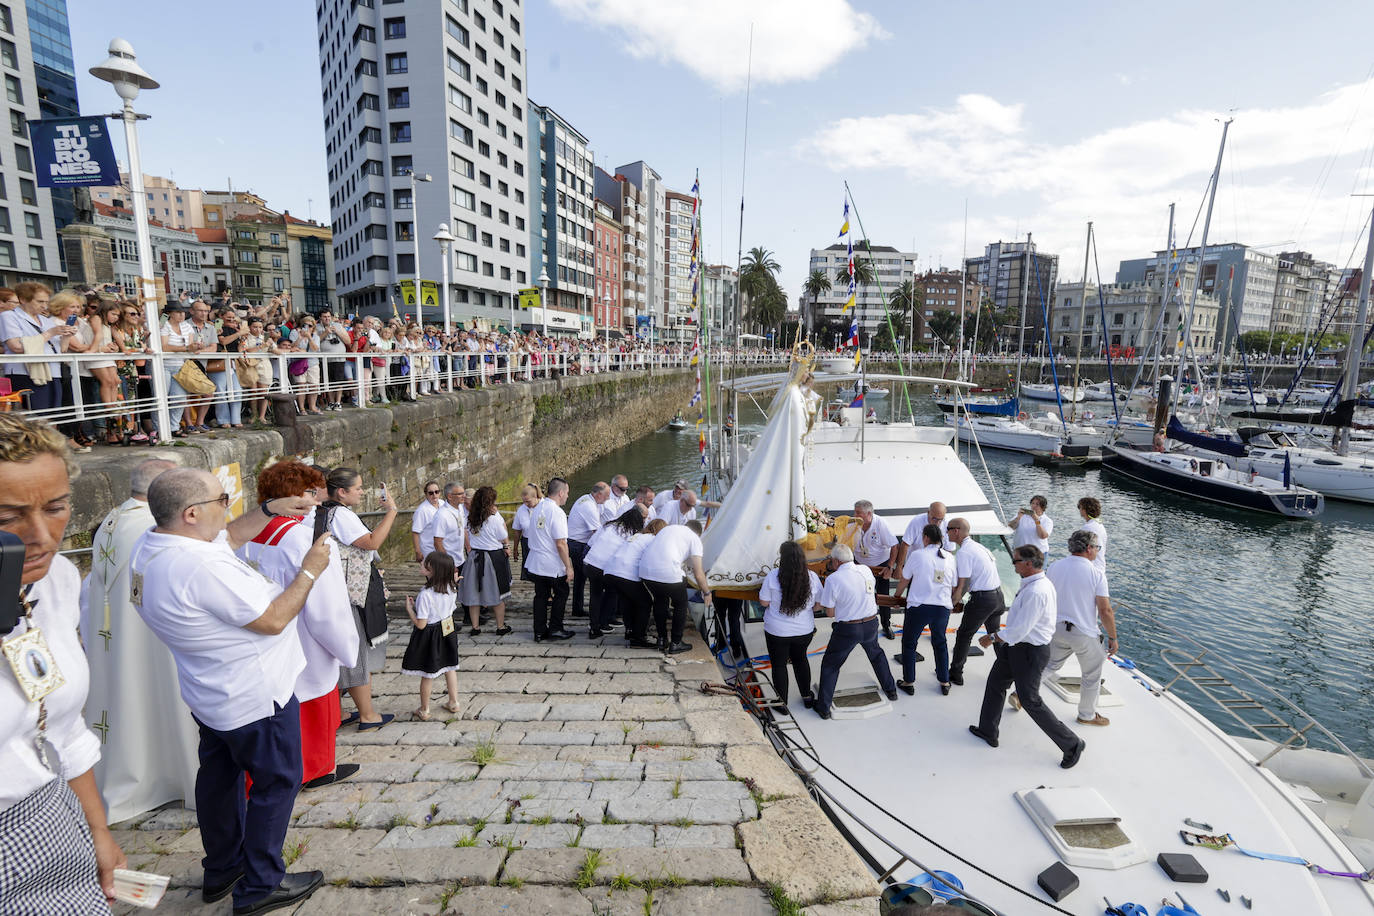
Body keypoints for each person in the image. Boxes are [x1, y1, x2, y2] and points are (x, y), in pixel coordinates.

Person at [132, 467, 330, 913]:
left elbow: (229, 538)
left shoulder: (154, 544)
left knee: (219, 779)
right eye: (223, 499)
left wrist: (269, 510)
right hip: (256, 695)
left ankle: (223, 867)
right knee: (277, 782)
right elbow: (274, 619)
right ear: (191, 513)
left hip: (211, 692)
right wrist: (310, 571)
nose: (229, 505)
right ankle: (261, 884)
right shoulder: (198, 566)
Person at [0, 414, 126, 912]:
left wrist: (96, 829)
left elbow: (62, 726)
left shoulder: (55, 584)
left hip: (54, 820)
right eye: (7, 518)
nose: (42, 536)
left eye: (55, 508)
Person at [78, 458, 200, 824]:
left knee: (132, 700)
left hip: (118, 632)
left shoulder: (115, 519)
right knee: (161, 698)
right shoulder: (152, 526)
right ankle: (176, 776)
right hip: (151, 633)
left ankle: (146, 775)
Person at [239, 461, 359, 790]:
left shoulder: (246, 534)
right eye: (310, 492)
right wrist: (346, 647)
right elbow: (327, 608)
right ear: (293, 496)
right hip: (305, 636)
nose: (317, 500)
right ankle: (315, 770)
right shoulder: (308, 541)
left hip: (263, 636)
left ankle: (272, 772)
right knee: (314, 703)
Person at [968, 545, 1085, 769]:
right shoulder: (1034, 584)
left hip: (1030, 652)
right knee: (995, 684)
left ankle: (1071, 744)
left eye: (1016, 561)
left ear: (1029, 564)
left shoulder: (1036, 591)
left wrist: (992, 637)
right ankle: (988, 730)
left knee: (1030, 700)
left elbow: (1020, 629)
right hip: (1016, 648)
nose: (1013, 565)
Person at [320, 468, 396, 731]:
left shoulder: (323, 512)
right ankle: (367, 715)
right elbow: (372, 542)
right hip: (351, 593)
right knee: (356, 653)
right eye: (358, 488)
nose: (362, 492)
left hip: (333, 589)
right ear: (342, 492)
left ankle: (339, 713)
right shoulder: (341, 514)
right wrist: (391, 512)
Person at [813, 544, 898, 719]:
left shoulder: (833, 579)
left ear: (836, 561)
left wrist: (844, 608)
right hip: (871, 624)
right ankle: (891, 690)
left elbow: (829, 613)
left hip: (847, 629)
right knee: (877, 655)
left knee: (831, 665)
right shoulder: (866, 570)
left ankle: (823, 707)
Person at [1042, 529, 1116, 727]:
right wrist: (1113, 638)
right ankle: (1087, 715)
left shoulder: (1055, 567)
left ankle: (1021, 694)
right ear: (1089, 548)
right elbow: (1105, 610)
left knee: (1049, 665)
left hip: (1055, 628)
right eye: (1097, 548)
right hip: (1082, 632)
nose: (1098, 552)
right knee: (1092, 673)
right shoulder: (1096, 573)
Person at [758, 540, 822, 714]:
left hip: (777, 631)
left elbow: (764, 602)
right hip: (804, 631)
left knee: (779, 665)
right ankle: (807, 697)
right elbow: (819, 605)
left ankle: (781, 703)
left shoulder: (772, 576)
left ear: (782, 558)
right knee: (800, 660)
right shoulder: (812, 577)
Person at [894, 523, 957, 696]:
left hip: (919, 607)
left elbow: (905, 579)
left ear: (926, 538)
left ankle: (909, 681)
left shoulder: (917, 555)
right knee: (940, 643)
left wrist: (897, 596)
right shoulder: (950, 557)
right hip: (942, 608)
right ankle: (944, 681)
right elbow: (953, 585)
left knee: (909, 643)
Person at [946, 517, 1006, 688]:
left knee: (964, 635)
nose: (946, 532)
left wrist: (950, 605)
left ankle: (956, 674)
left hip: (982, 600)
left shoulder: (964, 552)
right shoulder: (979, 547)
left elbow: (962, 585)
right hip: (997, 597)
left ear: (956, 531)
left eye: (948, 529)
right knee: (995, 634)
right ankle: (1008, 669)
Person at [402, 552, 462, 720]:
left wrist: (409, 610)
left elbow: (421, 624)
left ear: (432, 571)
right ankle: (454, 701)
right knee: (450, 668)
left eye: (424, 565)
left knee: (428, 674)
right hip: (448, 630)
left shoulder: (425, 594)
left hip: (431, 635)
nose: (421, 565)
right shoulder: (451, 588)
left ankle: (424, 709)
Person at [639, 518, 712, 653]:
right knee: (681, 603)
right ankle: (676, 642)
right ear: (698, 533)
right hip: (667, 573)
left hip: (645, 571)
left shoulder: (669, 529)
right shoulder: (694, 539)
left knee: (660, 600)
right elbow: (698, 573)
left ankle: (661, 639)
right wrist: (707, 592)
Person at [2, 281, 72, 413]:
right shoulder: (9, 316)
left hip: (53, 372)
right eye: (40, 302)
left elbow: (60, 350)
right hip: (25, 373)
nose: (44, 306)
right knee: (36, 418)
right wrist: (49, 333)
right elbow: (16, 346)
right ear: (23, 299)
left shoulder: (46, 320)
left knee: (54, 415)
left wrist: (66, 335)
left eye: (46, 302)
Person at [458, 486, 513, 637]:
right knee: (497, 593)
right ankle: (500, 626)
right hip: (492, 558)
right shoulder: (494, 519)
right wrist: (506, 546)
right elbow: (503, 536)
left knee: (474, 594)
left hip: (474, 557)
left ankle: (475, 627)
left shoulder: (470, 518)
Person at [526, 477, 575, 641]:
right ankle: (555, 628)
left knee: (540, 596)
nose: (568, 496)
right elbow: (561, 543)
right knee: (562, 593)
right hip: (552, 563)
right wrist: (568, 567)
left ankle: (539, 631)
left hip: (536, 562)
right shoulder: (557, 512)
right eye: (567, 493)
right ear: (561, 493)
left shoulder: (538, 507)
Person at [582, 507, 642, 638]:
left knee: (595, 596)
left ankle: (594, 627)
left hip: (590, 562)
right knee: (612, 592)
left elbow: (592, 542)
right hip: (603, 567)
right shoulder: (630, 533)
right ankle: (603, 621)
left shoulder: (609, 525)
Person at [605, 518, 664, 648]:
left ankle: (630, 631)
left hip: (610, 570)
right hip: (625, 573)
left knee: (627, 601)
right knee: (646, 602)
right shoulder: (653, 540)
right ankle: (638, 638)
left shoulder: (638, 536)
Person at [853, 500, 900, 639]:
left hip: (880, 564)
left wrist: (890, 567)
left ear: (869, 514)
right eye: (855, 512)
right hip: (860, 564)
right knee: (859, 594)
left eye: (858, 513)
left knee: (883, 596)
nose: (854, 515)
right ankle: (858, 624)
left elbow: (895, 546)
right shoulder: (853, 523)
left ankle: (886, 624)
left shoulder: (881, 524)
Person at [567, 482, 610, 619]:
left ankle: (577, 608)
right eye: (607, 495)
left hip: (575, 542)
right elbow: (597, 533)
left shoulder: (587, 499)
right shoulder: (589, 506)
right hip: (578, 544)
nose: (608, 498)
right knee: (593, 577)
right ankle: (596, 611)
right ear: (598, 495)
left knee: (580, 578)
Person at [424, 482, 467, 567]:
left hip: (461, 559)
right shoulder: (441, 515)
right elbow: (437, 542)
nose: (464, 496)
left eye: (463, 493)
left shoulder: (461, 508)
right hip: (449, 563)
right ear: (450, 496)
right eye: (460, 494)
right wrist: (448, 564)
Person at [411, 480, 443, 561]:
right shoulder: (422, 511)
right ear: (426, 494)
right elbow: (415, 532)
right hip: (429, 551)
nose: (434, 495)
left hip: (443, 548)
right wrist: (418, 552)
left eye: (436, 492)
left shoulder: (443, 504)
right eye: (431, 493)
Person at [1076, 497, 1107, 573]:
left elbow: (1080, 550)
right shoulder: (1099, 524)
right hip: (1100, 566)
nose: (1079, 509)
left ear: (1084, 510)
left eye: (1080, 507)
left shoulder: (1087, 528)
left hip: (1091, 568)